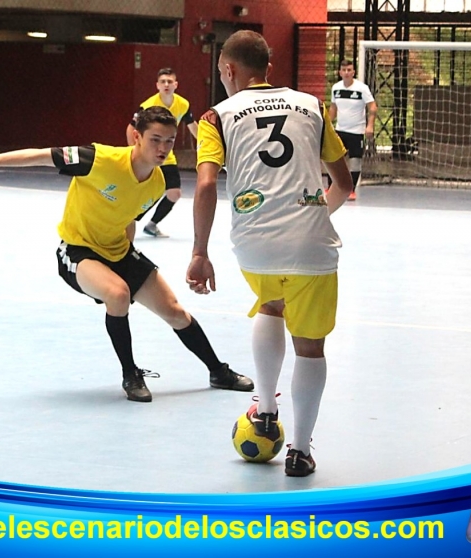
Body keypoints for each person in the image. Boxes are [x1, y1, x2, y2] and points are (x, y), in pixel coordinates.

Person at [0, 106, 254, 403]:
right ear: (137, 137)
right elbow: (42, 155)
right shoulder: (98, 159)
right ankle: (130, 374)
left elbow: (128, 220)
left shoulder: (157, 182)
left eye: (170, 141)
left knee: (175, 311)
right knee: (118, 293)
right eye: (155, 139)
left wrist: (133, 263)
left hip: (118, 251)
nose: (163, 148)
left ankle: (218, 372)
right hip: (78, 250)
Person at [186, 31, 354, 477]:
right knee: (311, 349)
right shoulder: (312, 106)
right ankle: (300, 451)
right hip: (313, 246)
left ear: (228, 70)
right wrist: (318, 218)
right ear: (269, 70)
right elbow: (344, 184)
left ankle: (263, 410)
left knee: (270, 303)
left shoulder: (215, 116)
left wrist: (200, 252)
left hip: (254, 245)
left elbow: (205, 184)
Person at [126, 68, 199, 238]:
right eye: (163, 82)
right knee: (149, 191)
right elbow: (131, 128)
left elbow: (192, 126)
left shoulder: (183, 104)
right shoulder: (148, 105)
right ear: (157, 85)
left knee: (174, 193)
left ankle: (152, 225)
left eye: (170, 81)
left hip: (166, 156)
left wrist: (206, 142)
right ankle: (128, 220)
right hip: (148, 156)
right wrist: (135, 151)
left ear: (176, 84)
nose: (166, 84)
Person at [329, 59, 378, 201]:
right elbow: (333, 108)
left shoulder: (362, 88)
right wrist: (328, 125)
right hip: (339, 130)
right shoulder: (336, 88)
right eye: (344, 70)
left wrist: (370, 126)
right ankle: (333, 187)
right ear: (340, 72)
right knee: (335, 159)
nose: (346, 73)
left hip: (356, 132)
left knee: (355, 161)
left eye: (349, 70)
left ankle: (351, 190)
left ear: (353, 72)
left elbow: (372, 107)